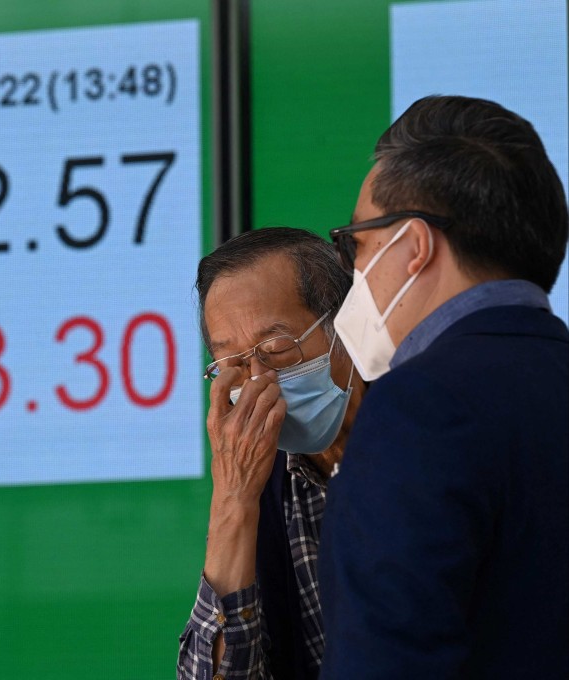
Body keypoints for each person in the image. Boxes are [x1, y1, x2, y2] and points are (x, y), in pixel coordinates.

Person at [319, 95, 569, 678]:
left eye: (357, 243)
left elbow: (385, 659)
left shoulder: (418, 408)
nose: (354, 271)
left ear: (414, 247)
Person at [178, 227, 367, 680]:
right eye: (234, 364)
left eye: (278, 349)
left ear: (346, 328)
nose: (258, 380)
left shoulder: (422, 437)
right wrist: (233, 501)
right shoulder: (258, 476)